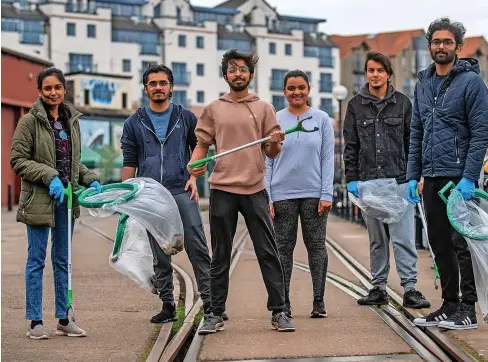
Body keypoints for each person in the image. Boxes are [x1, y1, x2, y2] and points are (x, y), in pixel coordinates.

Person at [188, 49, 295, 334]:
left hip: (254, 189)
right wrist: (195, 164)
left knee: (267, 252)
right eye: (232, 69)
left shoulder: (263, 108)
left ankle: (280, 310)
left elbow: (272, 152)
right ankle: (215, 312)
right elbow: (202, 144)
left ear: (250, 74)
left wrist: (274, 142)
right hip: (222, 188)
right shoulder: (213, 109)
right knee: (220, 254)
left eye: (243, 69)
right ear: (225, 75)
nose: (238, 73)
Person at [406, 18, 488, 330]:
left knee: (462, 243)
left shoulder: (472, 84)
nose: (441, 46)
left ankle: (468, 309)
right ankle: (449, 304)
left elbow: (481, 134)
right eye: (436, 42)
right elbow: (416, 131)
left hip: (458, 177)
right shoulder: (423, 84)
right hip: (431, 176)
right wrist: (412, 175)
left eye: (447, 42)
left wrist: (470, 177)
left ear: (458, 47)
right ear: (429, 46)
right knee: (439, 242)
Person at [120, 64, 219, 324]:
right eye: (153, 83)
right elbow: (129, 162)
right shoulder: (134, 122)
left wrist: (195, 179)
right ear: (146, 88)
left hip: (181, 190)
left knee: (197, 246)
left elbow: (200, 150)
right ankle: (168, 305)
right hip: (150, 195)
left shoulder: (185, 117)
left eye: (163, 83)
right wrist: (127, 196)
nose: (158, 87)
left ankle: (211, 305)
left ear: (171, 87)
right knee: (159, 252)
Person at [10, 67, 102, 339]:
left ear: (64, 90)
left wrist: (88, 177)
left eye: (57, 88)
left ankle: (64, 318)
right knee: (36, 260)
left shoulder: (71, 121)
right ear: (39, 91)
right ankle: (35, 321)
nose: (53, 93)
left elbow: (72, 162)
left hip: (67, 201)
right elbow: (18, 160)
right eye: (47, 88)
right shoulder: (29, 122)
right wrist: (50, 176)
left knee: (63, 260)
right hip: (39, 200)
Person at [343, 52, 431, 309]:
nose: (375, 74)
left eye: (380, 70)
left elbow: (412, 142)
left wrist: (416, 176)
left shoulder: (403, 103)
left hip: (400, 180)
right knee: (377, 239)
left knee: (403, 237)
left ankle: (410, 288)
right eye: (371, 70)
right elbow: (351, 145)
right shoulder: (355, 105)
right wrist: (352, 179)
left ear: (388, 74)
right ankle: (378, 287)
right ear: (366, 73)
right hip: (369, 182)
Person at [265, 70, 334, 318]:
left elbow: (327, 159)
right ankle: (284, 303)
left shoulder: (322, 119)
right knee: (283, 249)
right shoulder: (274, 119)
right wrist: (269, 197)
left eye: (301, 87)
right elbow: (268, 161)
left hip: (314, 194)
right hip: (282, 194)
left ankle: (318, 300)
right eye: (291, 88)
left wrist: (327, 193)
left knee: (316, 247)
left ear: (308, 89)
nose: (297, 92)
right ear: (284, 91)